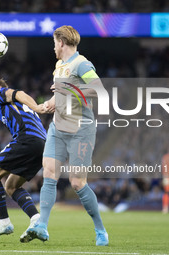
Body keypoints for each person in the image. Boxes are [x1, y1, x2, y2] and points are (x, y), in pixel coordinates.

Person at [26, 25, 109, 246]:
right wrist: (46, 105)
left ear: (61, 42)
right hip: (58, 127)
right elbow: (59, 95)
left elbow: (99, 90)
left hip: (81, 129)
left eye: (54, 42)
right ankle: (42, 226)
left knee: (77, 182)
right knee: (50, 174)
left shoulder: (82, 64)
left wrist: (69, 90)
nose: (53, 47)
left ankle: (100, 229)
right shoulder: (59, 66)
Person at [0, 77, 47, 242]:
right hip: (41, 144)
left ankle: (4, 222)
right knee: (11, 186)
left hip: (26, 139)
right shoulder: (7, 106)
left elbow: (19, 93)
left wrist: (37, 106)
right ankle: (36, 220)